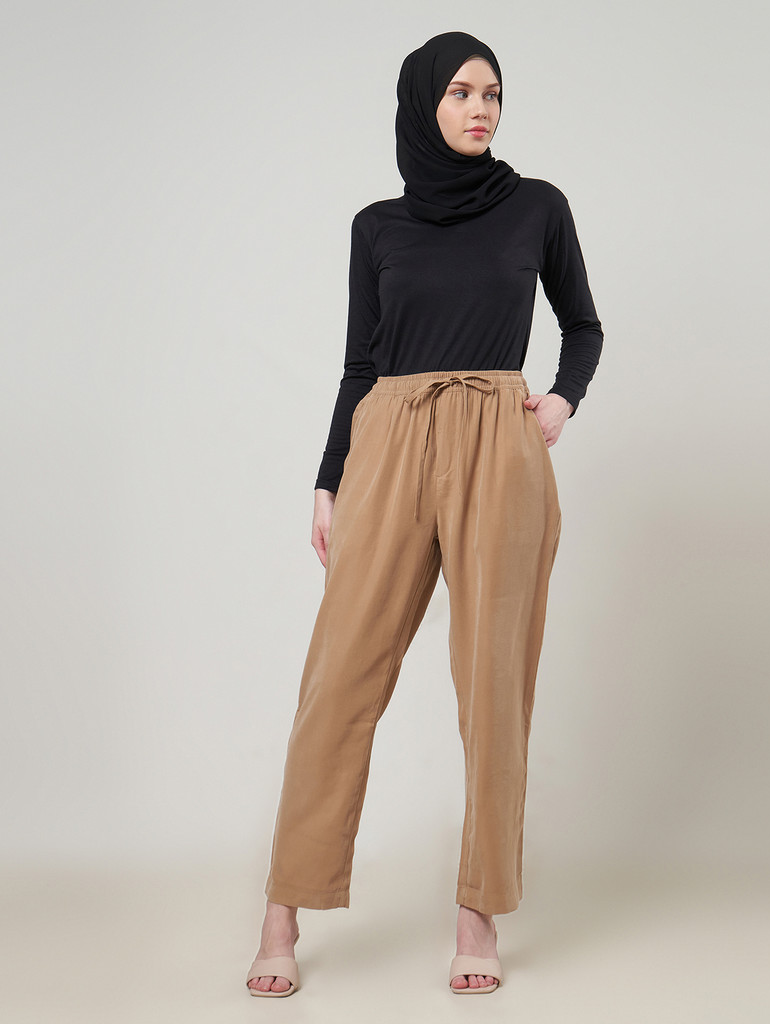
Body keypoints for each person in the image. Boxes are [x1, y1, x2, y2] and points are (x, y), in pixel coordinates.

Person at [246, 30, 603, 997]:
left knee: (493, 683)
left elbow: (583, 323)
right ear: (421, 104)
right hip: (391, 439)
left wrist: (561, 401)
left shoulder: (538, 207)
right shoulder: (377, 227)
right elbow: (360, 363)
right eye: (459, 92)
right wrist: (329, 478)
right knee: (339, 678)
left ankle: (477, 911)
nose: (480, 108)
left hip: (498, 438)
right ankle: (283, 907)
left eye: (493, 93)